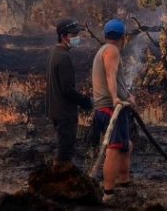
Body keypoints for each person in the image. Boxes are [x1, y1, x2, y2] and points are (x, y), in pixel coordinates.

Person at [90, 19, 136, 203]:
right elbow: (110, 76)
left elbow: (115, 79)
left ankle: (123, 181)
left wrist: (128, 96)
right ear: (122, 37)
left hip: (113, 106)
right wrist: (117, 98)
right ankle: (108, 192)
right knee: (114, 148)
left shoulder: (103, 50)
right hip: (111, 107)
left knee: (126, 145)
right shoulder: (112, 51)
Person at [45, 18, 93, 170]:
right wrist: (86, 102)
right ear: (64, 36)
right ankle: (59, 182)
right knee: (65, 152)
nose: (77, 38)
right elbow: (67, 90)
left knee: (63, 148)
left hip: (56, 111)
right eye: (74, 34)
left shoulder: (54, 51)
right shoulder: (64, 57)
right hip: (65, 113)